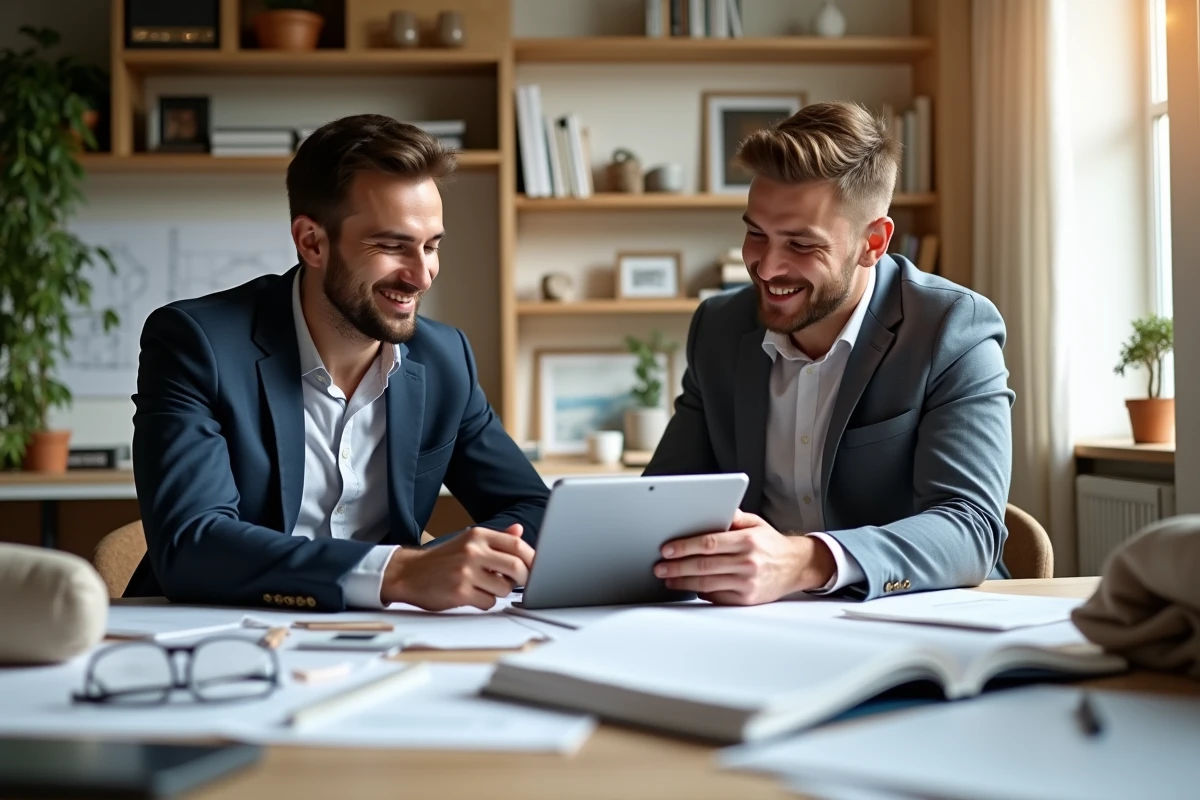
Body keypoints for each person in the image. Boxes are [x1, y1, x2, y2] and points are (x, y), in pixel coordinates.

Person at [126, 114, 548, 612]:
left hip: (387, 638)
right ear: (312, 242)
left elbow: (534, 509)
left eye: (431, 246)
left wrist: (435, 568)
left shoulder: (445, 358)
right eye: (391, 246)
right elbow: (191, 543)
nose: (421, 276)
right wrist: (397, 572)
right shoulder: (198, 343)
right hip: (212, 638)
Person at [645, 101, 1014, 604]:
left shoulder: (952, 329)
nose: (767, 266)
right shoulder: (718, 327)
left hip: (917, 619)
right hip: (756, 628)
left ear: (873, 242)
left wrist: (803, 561)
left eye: (801, 244)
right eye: (756, 233)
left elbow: (970, 530)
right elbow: (662, 502)